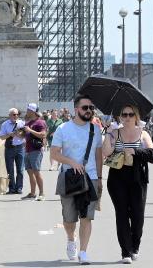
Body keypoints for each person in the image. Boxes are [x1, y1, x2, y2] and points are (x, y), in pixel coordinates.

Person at [50, 94, 103, 265]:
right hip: (69, 178)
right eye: (85, 107)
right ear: (76, 109)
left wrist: (100, 178)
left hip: (91, 178)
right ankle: (70, 238)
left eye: (91, 108)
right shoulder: (63, 129)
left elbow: (98, 155)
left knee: (87, 217)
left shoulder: (95, 130)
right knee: (69, 219)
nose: (89, 111)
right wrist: (71, 162)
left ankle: (83, 252)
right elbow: (54, 154)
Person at [103, 104, 153, 264]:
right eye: (124, 115)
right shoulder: (114, 133)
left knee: (138, 215)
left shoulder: (143, 134)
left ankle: (135, 246)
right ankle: (125, 251)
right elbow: (106, 153)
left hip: (138, 177)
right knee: (122, 214)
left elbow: (152, 155)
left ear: (136, 116)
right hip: (117, 177)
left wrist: (135, 151)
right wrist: (107, 134)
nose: (127, 118)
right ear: (120, 117)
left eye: (130, 114)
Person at [22, 103, 47, 201]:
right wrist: (19, 134)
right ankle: (32, 193)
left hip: (36, 150)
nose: (26, 111)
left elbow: (43, 135)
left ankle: (42, 193)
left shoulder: (40, 122)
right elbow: (25, 135)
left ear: (32, 111)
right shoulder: (28, 122)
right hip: (27, 150)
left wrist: (30, 130)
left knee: (36, 172)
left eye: (28, 110)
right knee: (30, 173)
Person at [0, 108, 26, 194]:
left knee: (20, 170)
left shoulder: (22, 123)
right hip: (9, 148)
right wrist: (9, 134)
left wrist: (20, 134)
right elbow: (1, 137)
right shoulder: (5, 124)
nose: (16, 116)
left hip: (20, 148)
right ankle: (12, 188)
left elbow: (26, 136)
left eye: (17, 114)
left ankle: (19, 188)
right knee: (10, 170)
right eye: (14, 114)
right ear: (10, 115)